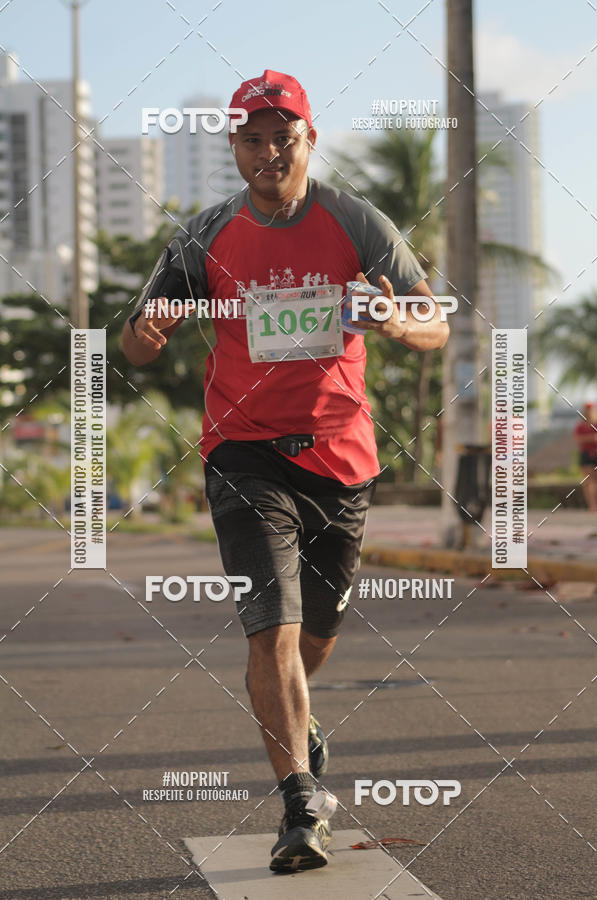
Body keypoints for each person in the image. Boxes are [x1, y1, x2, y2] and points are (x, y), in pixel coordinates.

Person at [121, 69, 449, 873]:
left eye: (284, 137)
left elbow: (434, 322)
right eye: (253, 140)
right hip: (244, 452)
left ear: (309, 139)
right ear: (234, 147)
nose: (269, 152)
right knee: (271, 628)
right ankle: (302, 804)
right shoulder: (204, 233)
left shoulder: (356, 221)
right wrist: (146, 333)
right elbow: (133, 339)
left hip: (341, 458)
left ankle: (298, 721)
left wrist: (395, 321)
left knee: (315, 636)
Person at [573, 402, 597, 511]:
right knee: (589, 482)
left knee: (596, 482)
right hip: (585, 455)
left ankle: (595, 505)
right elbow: (578, 440)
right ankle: (593, 506)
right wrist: (592, 438)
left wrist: (587, 438)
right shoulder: (580, 426)